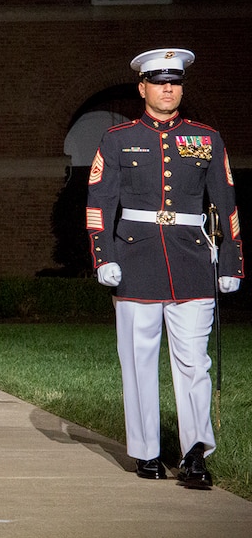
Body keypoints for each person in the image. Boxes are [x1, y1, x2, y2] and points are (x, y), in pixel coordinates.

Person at [86, 48, 243, 489]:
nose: (168, 88)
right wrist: (105, 257)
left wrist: (230, 261)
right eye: (158, 81)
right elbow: (99, 203)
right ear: (143, 88)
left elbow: (227, 205)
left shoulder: (206, 138)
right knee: (138, 362)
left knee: (195, 363)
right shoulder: (117, 140)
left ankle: (196, 454)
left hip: (193, 261)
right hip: (136, 261)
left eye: (174, 81)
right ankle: (147, 452)